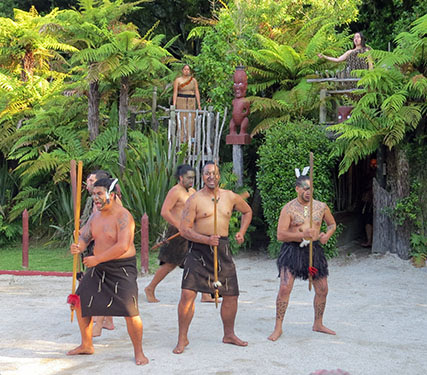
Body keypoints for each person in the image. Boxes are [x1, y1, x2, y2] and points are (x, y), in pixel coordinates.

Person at [173, 161, 253, 354]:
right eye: (207, 173)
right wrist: (205, 239)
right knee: (187, 294)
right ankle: (182, 338)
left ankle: (229, 334)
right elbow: (184, 230)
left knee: (231, 294)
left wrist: (241, 232)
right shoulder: (194, 200)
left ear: (219, 177)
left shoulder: (230, 197)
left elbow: (247, 211)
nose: (211, 176)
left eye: (215, 173)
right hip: (199, 250)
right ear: (202, 177)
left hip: (222, 249)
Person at [68, 178, 148, 365]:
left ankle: (139, 352)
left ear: (111, 195)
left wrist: (97, 259)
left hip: (122, 268)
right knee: (80, 302)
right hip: (100, 268)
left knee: (131, 311)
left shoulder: (123, 217)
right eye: (93, 194)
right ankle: (86, 344)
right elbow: (85, 236)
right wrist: (78, 246)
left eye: (99, 194)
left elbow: (123, 245)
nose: (95, 198)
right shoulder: (95, 216)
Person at [268, 174, 337, 342]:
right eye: (305, 188)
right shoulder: (289, 208)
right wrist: (301, 235)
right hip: (292, 250)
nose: (308, 191)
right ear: (297, 189)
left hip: (315, 251)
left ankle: (318, 323)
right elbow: (280, 235)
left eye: (310, 188)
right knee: (285, 287)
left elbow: (332, 224)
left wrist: (327, 235)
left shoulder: (321, 207)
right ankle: (278, 327)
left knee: (322, 289)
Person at [144, 165, 214, 303]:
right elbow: (165, 211)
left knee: (199, 259)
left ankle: (205, 293)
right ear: (181, 177)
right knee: (170, 263)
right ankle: (150, 288)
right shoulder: (175, 191)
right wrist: (180, 226)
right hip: (177, 231)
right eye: (188, 178)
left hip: (191, 231)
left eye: (193, 178)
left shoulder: (193, 191)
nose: (191, 180)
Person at [80, 170, 115, 337]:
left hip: (106, 251)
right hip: (97, 248)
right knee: (102, 285)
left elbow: (102, 225)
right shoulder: (95, 201)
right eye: (88, 181)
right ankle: (107, 321)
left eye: (92, 181)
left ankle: (100, 323)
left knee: (100, 285)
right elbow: (92, 223)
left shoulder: (111, 204)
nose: (89, 183)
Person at [172, 64, 201, 142]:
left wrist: (199, 104)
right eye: (185, 69)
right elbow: (175, 92)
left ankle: (190, 141)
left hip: (191, 102)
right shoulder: (178, 80)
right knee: (181, 120)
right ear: (182, 70)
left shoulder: (193, 80)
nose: (186, 71)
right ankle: (181, 140)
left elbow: (197, 92)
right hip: (181, 101)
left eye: (188, 69)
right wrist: (174, 105)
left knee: (191, 121)